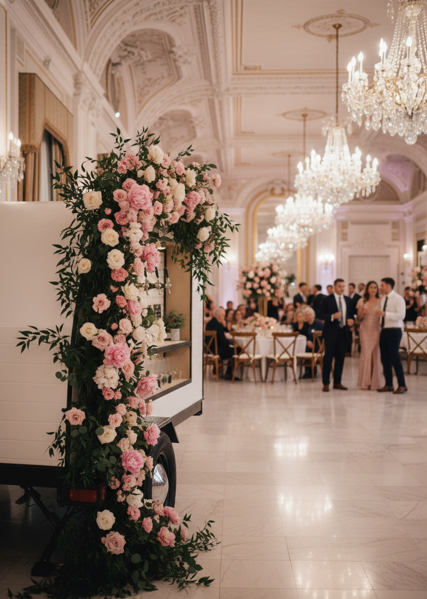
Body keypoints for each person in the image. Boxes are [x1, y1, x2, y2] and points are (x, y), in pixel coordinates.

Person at [320, 278, 355, 392]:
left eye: (343, 286)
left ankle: (337, 382)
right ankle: (326, 383)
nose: (342, 288)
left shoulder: (348, 300)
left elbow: (351, 315)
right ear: (334, 287)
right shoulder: (326, 299)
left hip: (343, 332)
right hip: (331, 332)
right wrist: (332, 316)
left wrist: (351, 321)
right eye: (339, 286)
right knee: (328, 358)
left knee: (340, 359)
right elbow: (320, 314)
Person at [377, 278, 407, 394]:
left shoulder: (398, 298)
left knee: (394, 358)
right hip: (384, 330)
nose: (380, 287)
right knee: (385, 358)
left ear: (389, 286)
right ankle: (388, 384)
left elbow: (402, 315)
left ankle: (402, 384)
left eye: (382, 285)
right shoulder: (384, 298)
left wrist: (386, 314)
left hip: (394, 330)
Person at [356, 281, 383, 391]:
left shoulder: (381, 300)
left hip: (377, 329)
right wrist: (362, 311)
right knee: (366, 354)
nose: (373, 289)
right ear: (367, 289)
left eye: (375, 287)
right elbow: (359, 317)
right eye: (371, 287)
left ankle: (375, 382)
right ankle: (365, 381)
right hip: (365, 329)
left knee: (376, 354)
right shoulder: (362, 301)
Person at [205, 307, 240, 380]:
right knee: (237, 350)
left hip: (209, 349)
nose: (224, 317)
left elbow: (225, 331)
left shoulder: (210, 323)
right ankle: (229, 373)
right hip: (217, 351)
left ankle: (217, 367)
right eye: (223, 315)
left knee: (232, 349)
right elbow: (223, 340)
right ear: (220, 316)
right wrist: (232, 343)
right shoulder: (218, 325)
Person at [302, 307, 323, 378]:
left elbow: (322, 337)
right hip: (307, 345)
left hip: (318, 346)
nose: (308, 317)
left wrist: (312, 342)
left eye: (309, 315)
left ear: (313, 315)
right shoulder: (304, 325)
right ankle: (305, 371)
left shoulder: (318, 324)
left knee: (311, 349)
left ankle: (311, 371)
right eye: (306, 315)